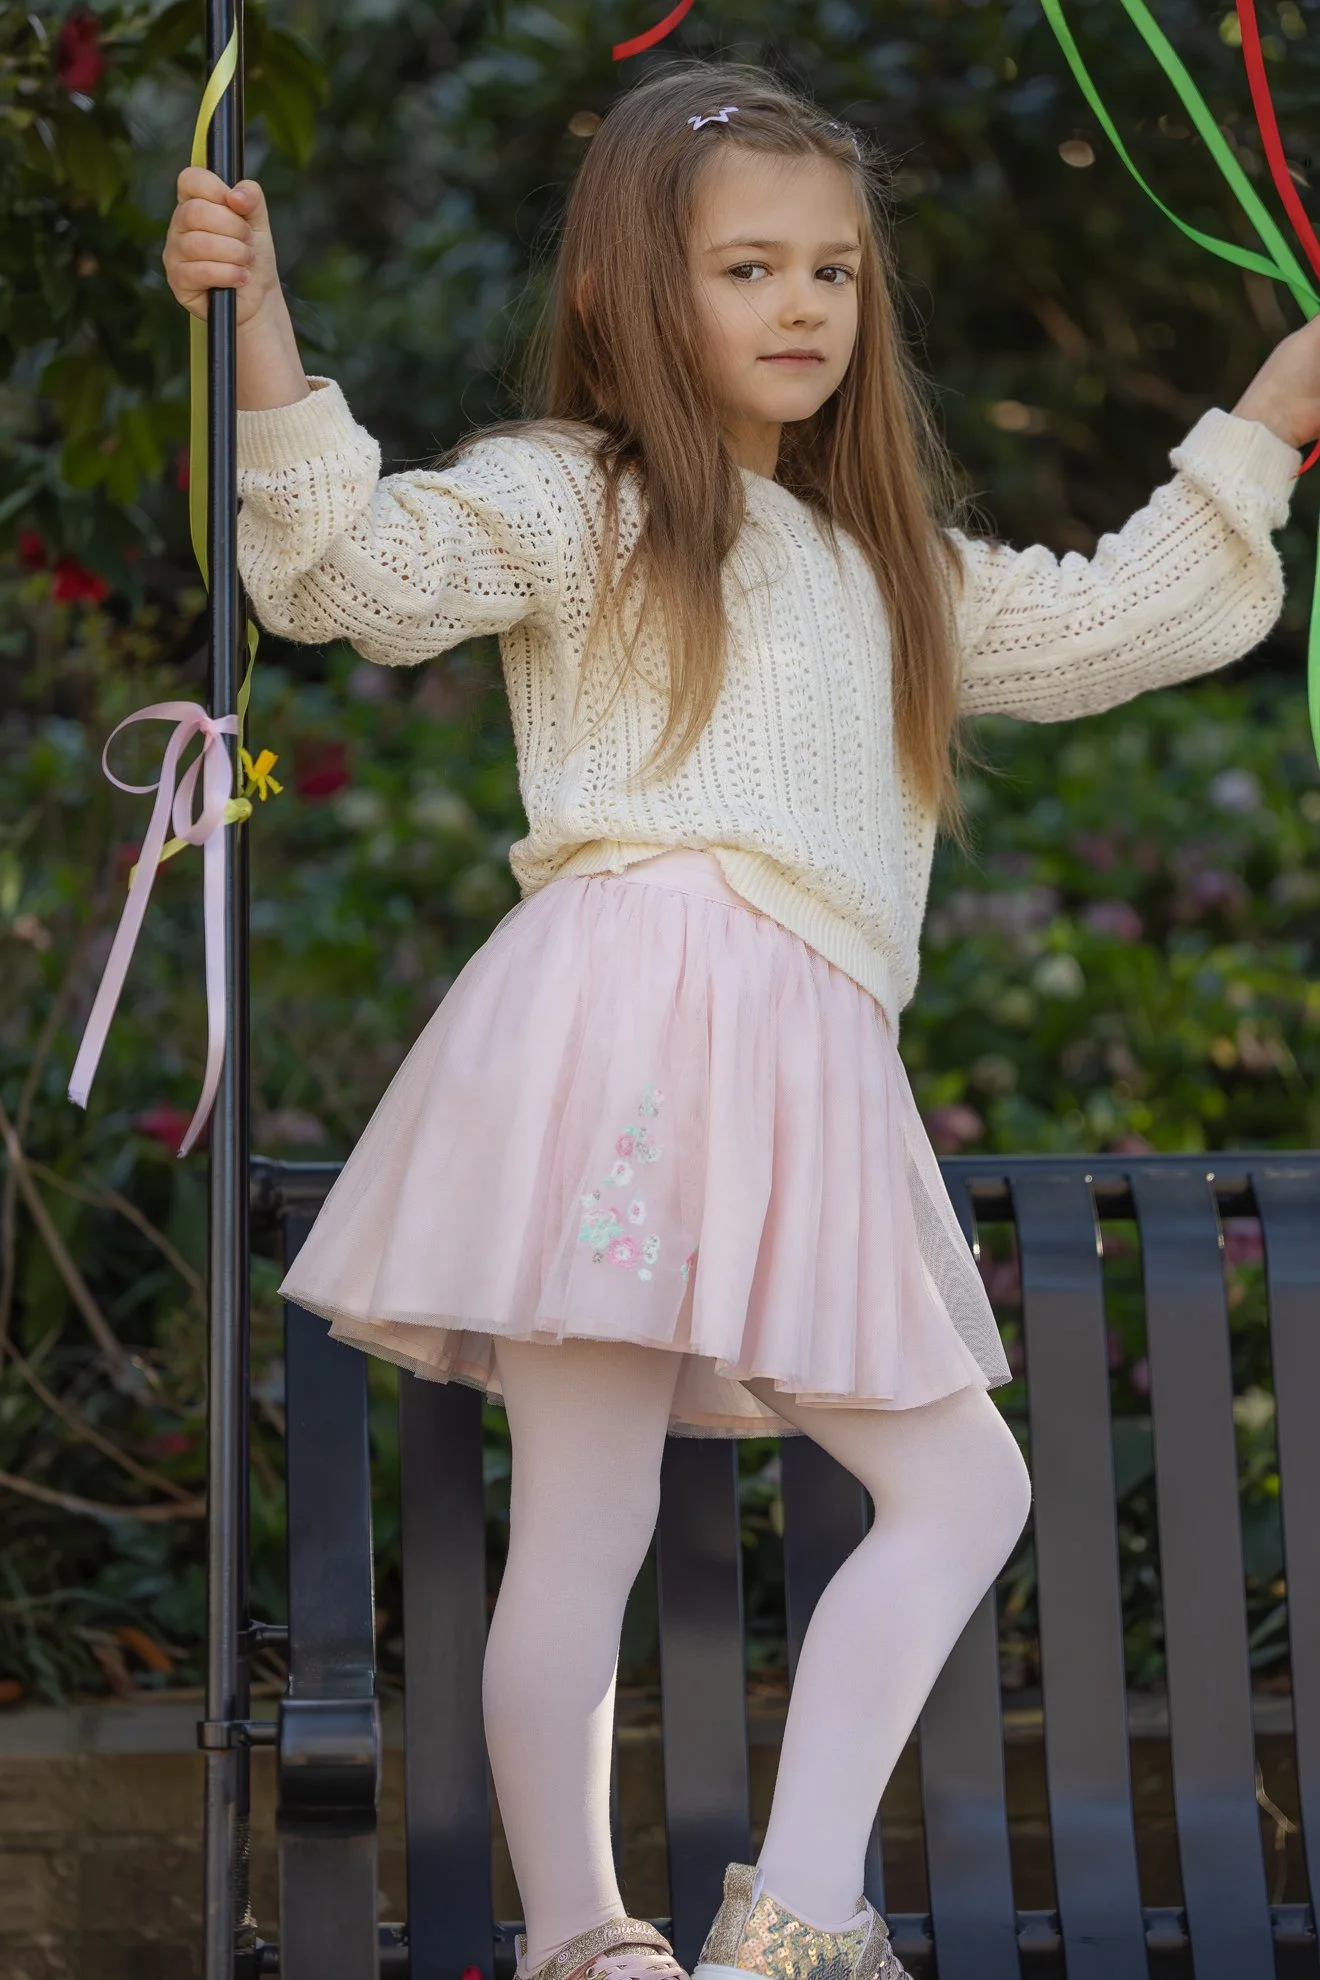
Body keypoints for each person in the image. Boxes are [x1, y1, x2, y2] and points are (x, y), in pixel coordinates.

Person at [163, 54, 1316, 1980]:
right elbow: (353, 572)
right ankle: (643, 1937)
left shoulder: (893, 568)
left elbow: (1130, 616)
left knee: (936, 1487)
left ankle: (758, 1917)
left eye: (836, 274)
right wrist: (262, 320)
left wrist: (1273, 418)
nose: (802, 309)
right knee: (622, 1516)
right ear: (628, 291)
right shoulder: (584, 498)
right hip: (631, 1024)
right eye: (750, 270)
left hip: (788, 1053)